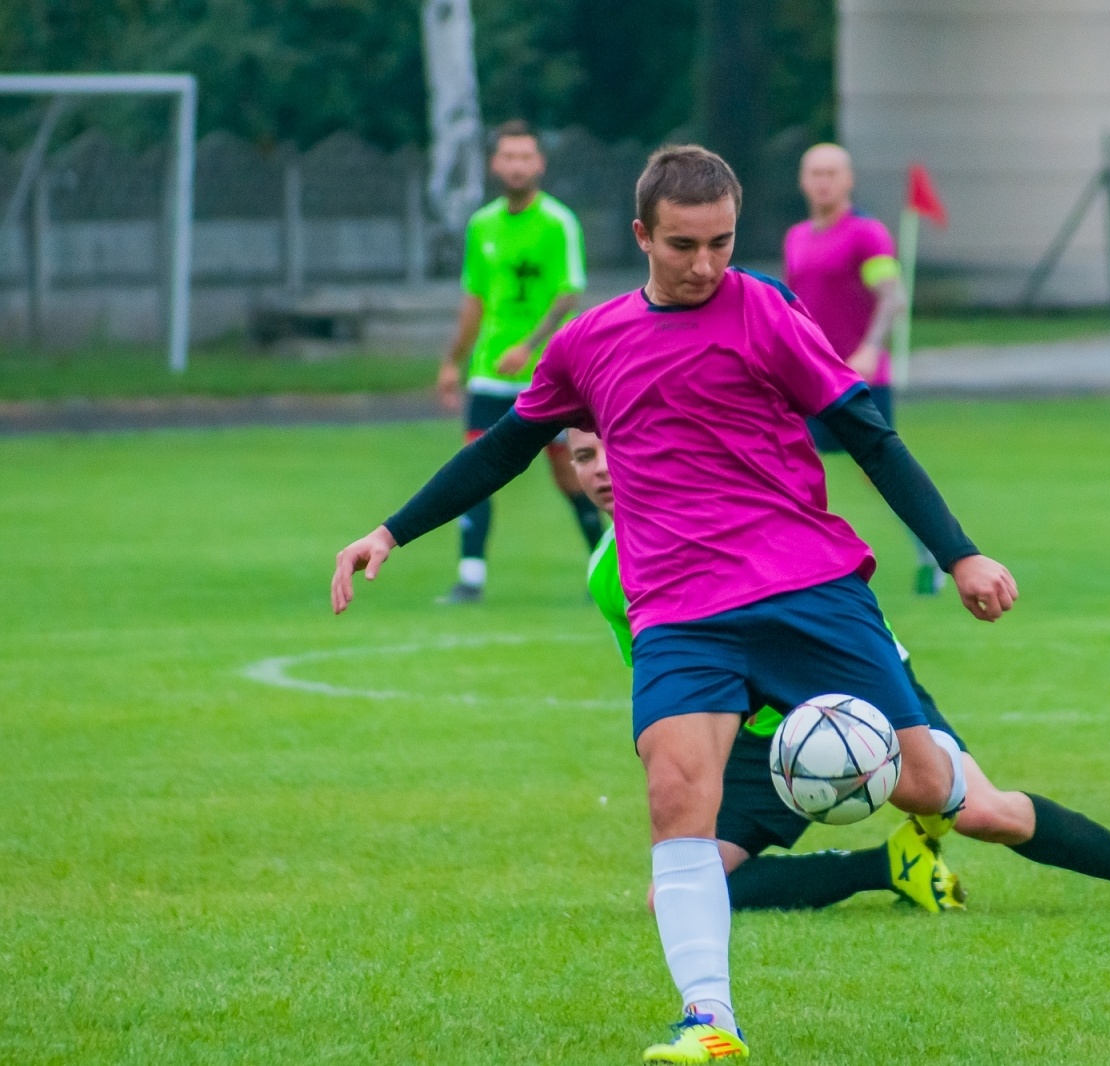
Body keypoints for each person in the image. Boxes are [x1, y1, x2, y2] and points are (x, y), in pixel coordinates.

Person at [332, 144, 1017, 1064]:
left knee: (929, 782)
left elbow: (869, 436)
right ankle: (710, 1021)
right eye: (685, 245)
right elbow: (501, 448)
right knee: (675, 796)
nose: (705, 265)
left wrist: (960, 553)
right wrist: (390, 531)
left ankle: (950, 817)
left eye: (722, 242)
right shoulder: (590, 342)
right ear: (642, 236)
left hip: (804, 586)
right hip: (679, 610)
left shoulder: (766, 312)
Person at [569, 427, 1110, 916]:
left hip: (850, 699)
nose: (599, 469)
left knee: (986, 815)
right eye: (581, 456)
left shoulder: (732, 515)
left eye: (610, 447)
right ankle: (889, 869)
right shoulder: (607, 573)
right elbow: (678, 691)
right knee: (679, 890)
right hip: (759, 737)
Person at [434, 119, 603, 604]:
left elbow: (569, 292)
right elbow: (474, 300)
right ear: (495, 164)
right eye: (508, 157)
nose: (517, 165)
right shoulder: (482, 224)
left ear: (540, 164)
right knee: (474, 468)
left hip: (550, 375)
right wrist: (453, 361)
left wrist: (529, 346)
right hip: (489, 374)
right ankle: (471, 577)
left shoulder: (557, 222)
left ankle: (606, 563)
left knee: (571, 474)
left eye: (525, 157)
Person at [783, 143, 943, 595]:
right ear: (802, 180)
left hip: (858, 381)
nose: (823, 181)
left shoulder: (865, 235)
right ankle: (797, 568)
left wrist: (871, 348)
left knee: (881, 474)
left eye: (832, 172)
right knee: (785, 467)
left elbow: (892, 295)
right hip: (809, 379)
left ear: (848, 180)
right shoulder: (796, 237)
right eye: (815, 172)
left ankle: (932, 551)